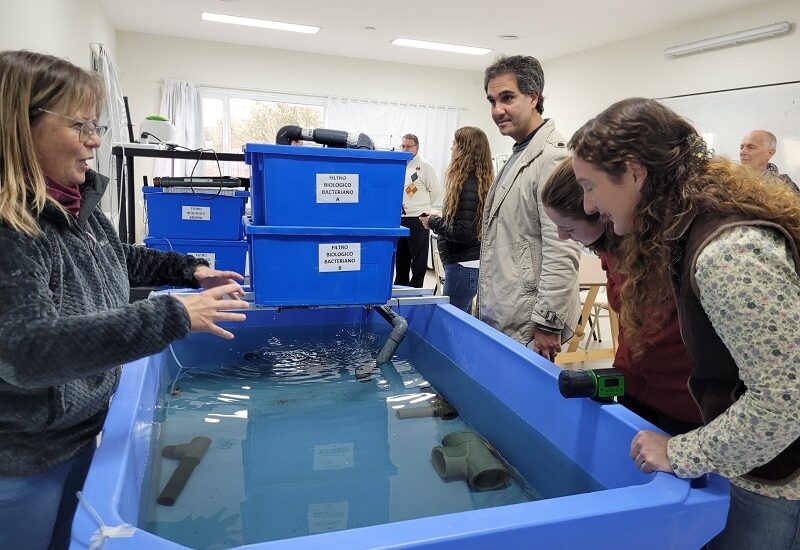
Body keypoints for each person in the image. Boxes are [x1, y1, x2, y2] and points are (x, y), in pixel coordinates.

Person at [0, 50, 249, 550]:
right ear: (20, 126)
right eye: (80, 125)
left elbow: (118, 259)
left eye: (97, 124)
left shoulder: (76, 205)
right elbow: (25, 351)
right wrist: (171, 314)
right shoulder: (11, 228)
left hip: (78, 431)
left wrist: (189, 270)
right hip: (23, 458)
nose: (95, 140)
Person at [570, 97, 799, 549]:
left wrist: (681, 452)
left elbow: (787, 398)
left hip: (777, 479)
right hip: (753, 457)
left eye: (589, 185)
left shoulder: (728, 253)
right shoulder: (685, 230)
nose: (588, 204)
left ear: (635, 173)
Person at [541, 158, 703, 435]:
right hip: (635, 386)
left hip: (682, 402)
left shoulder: (668, 251)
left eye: (568, 228)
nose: (562, 237)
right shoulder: (609, 246)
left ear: (600, 213)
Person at [477, 55, 580, 359]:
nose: (498, 110)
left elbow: (562, 248)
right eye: (492, 100)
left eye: (507, 98)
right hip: (505, 310)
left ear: (533, 97)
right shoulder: (520, 153)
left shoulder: (552, 158)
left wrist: (548, 322)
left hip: (528, 322)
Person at [420, 127, 494, 313]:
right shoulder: (475, 182)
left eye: (454, 144)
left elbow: (464, 233)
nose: (451, 148)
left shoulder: (469, 185)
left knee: (453, 323)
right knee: (462, 319)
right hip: (467, 264)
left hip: (463, 265)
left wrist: (433, 222)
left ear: (465, 150)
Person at [395, 133, 440, 288]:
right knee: (401, 257)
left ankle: (416, 288)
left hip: (418, 219)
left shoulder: (425, 166)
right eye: (403, 146)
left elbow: (435, 192)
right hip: (400, 218)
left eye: (409, 146)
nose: (405, 149)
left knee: (418, 258)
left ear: (417, 148)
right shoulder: (399, 165)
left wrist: (423, 209)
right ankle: (400, 285)